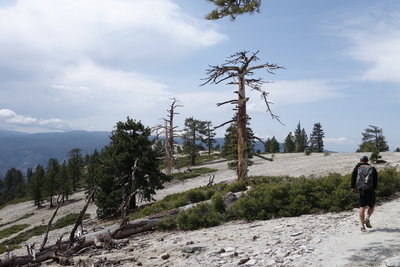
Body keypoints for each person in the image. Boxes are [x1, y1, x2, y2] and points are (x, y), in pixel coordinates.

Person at [351, 155, 378, 232]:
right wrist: (374, 188)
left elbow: (353, 177)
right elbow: (375, 179)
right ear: (367, 160)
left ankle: (362, 226)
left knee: (362, 207)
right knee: (371, 206)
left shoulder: (357, 167)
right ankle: (367, 218)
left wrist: (353, 187)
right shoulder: (372, 168)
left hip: (361, 189)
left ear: (360, 160)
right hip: (370, 189)